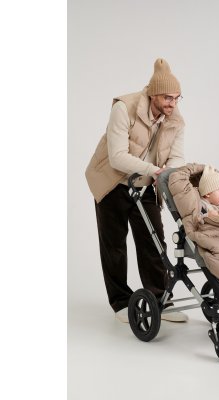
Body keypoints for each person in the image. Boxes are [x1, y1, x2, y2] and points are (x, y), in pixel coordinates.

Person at [85, 58, 188, 323]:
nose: (173, 104)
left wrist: (165, 172)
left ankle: (160, 300)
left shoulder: (175, 119)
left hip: (146, 185)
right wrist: (154, 170)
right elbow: (117, 156)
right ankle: (120, 301)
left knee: (154, 243)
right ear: (154, 94)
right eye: (168, 98)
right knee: (114, 246)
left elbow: (177, 157)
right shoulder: (124, 108)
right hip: (112, 183)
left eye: (177, 98)